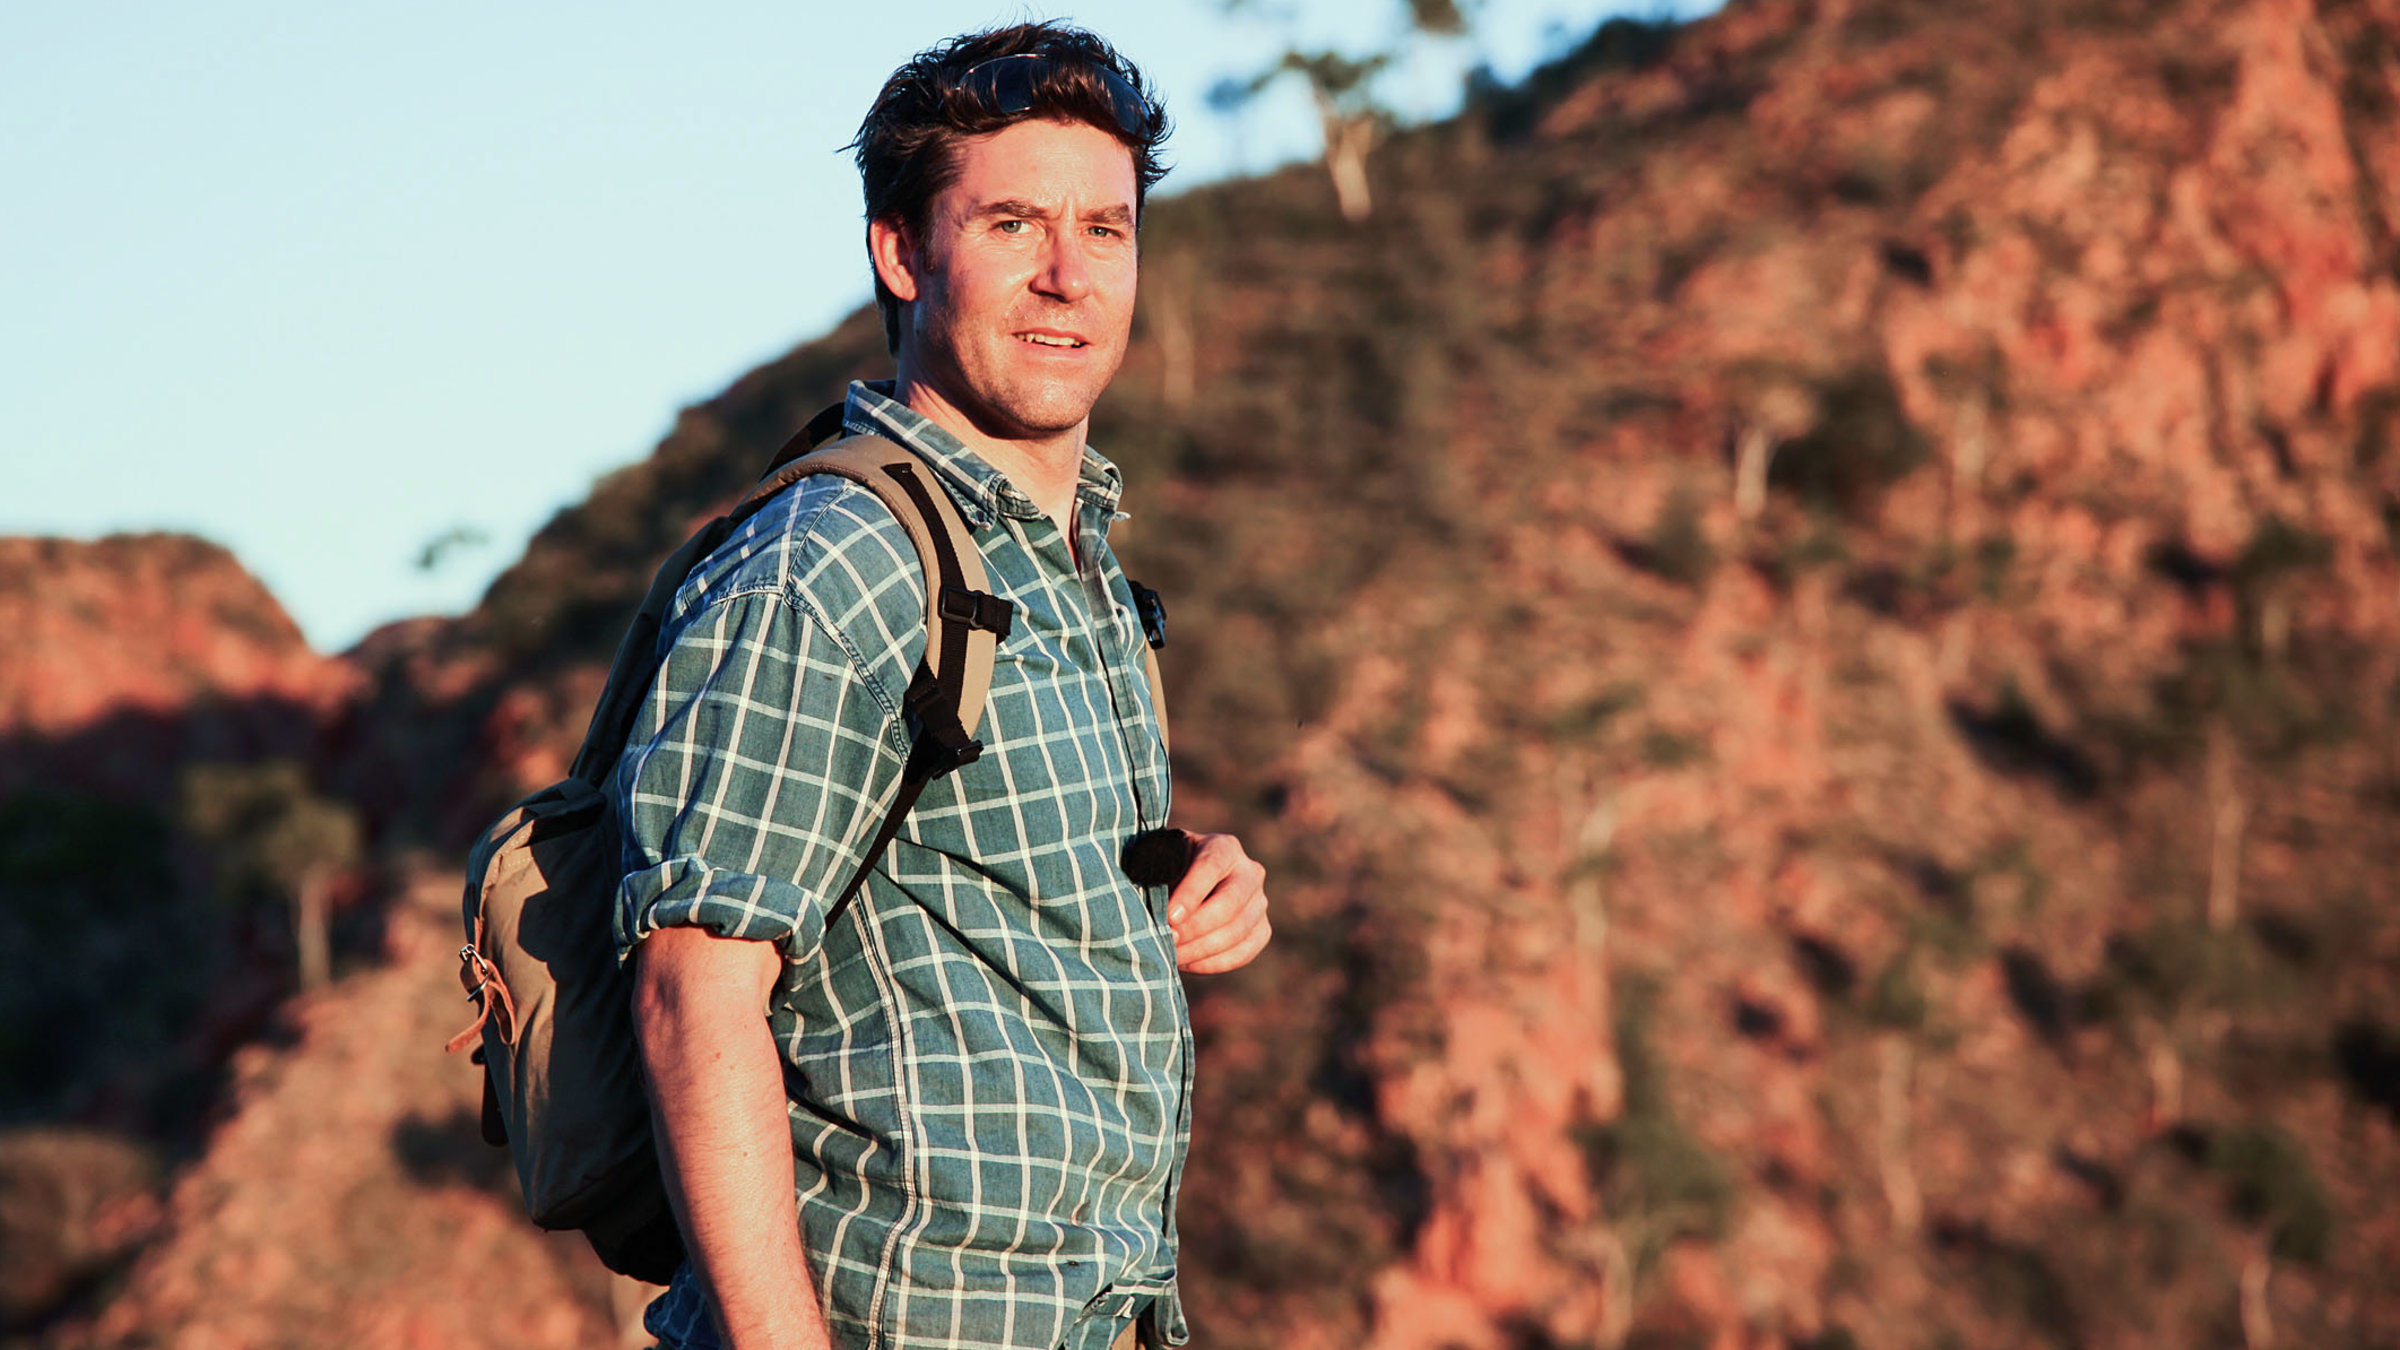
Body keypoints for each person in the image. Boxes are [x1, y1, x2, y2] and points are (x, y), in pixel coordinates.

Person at [611, 22, 1271, 1350]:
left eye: (1106, 227)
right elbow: (695, 989)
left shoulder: (1080, 573)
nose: (1067, 275)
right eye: (1014, 222)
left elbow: (975, 891)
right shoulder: (830, 566)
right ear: (905, 252)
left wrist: (1202, 883)